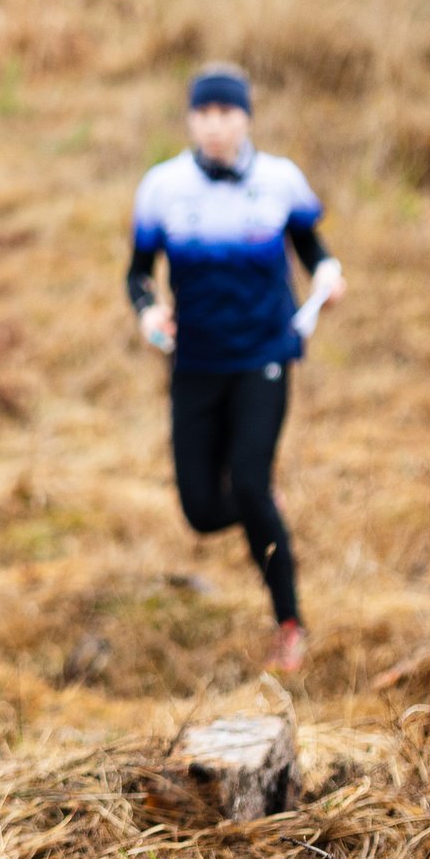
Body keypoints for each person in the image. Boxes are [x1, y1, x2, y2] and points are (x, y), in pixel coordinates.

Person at [126, 65, 340, 675]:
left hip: (263, 355)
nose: (216, 124)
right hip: (194, 360)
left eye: (228, 113)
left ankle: (290, 625)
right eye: (205, 113)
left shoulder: (281, 180)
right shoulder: (162, 187)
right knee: (200, 508)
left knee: (247, 480)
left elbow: (314, 249)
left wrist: (327, 274)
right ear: (191, 119)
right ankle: (261, 502)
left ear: (246, 117)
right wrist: (148, 312)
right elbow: (137, 272)